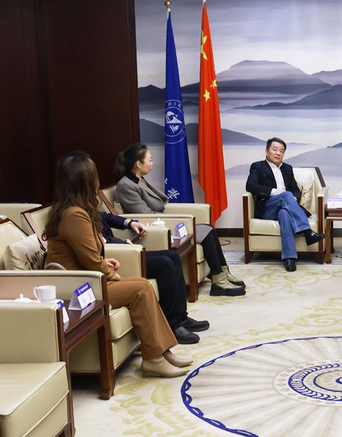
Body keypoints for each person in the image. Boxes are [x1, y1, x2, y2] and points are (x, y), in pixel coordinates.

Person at [44, 151, 190, 378]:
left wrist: (104, 261)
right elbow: (90, 261)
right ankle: (154, 359)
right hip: (80, 288)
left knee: (142, 286)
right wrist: (111, 275)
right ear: (85, 181)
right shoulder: (74, 215)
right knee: (141, 288)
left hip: (87, 279)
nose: (97, 182)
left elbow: (85, 255)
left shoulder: (75, 210)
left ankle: (162, 352)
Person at [113, 144, 245, 297]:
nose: (152, 163)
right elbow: (144, 215)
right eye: (149, 160)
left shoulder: (139, 180)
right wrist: (174, 220)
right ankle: (218, 281)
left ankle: (222, 273)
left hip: (163, 222)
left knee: (208, 229)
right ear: (138, 163)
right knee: (206, 231)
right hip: (155, 228)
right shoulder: (126, 185)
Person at [101, 212, 209, 344]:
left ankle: (181, 317)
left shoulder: (87, 207)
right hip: (116, 255)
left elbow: (105, 216)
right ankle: (173, 325)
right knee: (164, 263)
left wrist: (130, 223)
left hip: (122, 248)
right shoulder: (78, 213)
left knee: (173, 256)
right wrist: (120, 243)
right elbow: (100, 242)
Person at [245, 137, 325, 272]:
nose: (278, 153)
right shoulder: (257, 166)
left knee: (285, 213)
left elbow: (295, 189)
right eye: (275, 149)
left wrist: (292, 198)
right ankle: (307, 232)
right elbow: (250, 186)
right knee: (286, 195)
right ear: (266, 151)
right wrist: (274, 192)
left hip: (285, 207)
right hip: (267, 208)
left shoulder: (287, 168)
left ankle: (290, 258)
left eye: (281, 151)